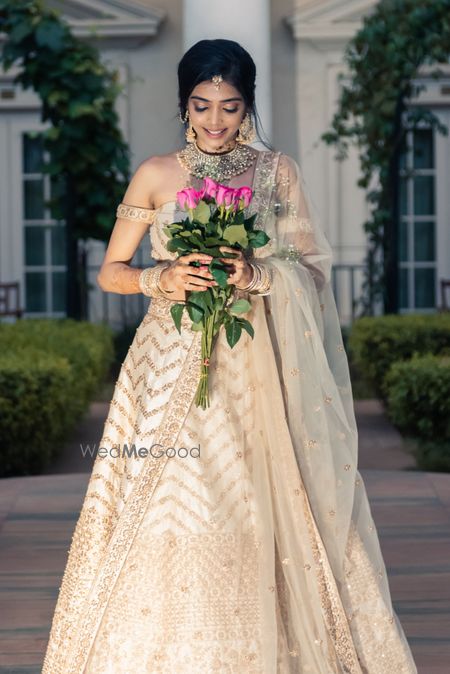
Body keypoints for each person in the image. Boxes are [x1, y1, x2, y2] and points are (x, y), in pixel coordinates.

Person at [41, 39, 418, 674]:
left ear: (248, 109)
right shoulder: (157, 174)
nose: (216, 121)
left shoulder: (278, 174)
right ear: (184, 105)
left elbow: (313, 272)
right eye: (202, 105)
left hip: (259, 368)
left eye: (231, 107)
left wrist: (258, 272)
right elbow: (110, 271)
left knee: (252, 499)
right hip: (167, 365)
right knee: (171, 496)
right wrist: (158, 279)